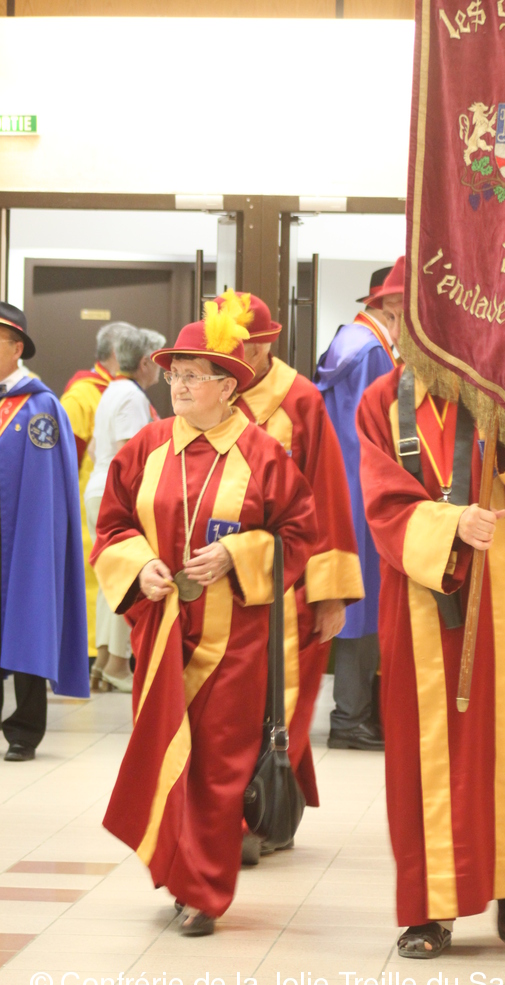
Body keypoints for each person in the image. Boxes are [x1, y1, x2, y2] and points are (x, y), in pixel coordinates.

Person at [356, 284, 505, 958]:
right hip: (422, 601)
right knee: (427, 754)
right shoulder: (382, 401)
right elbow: (381, 499)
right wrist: (450, 524)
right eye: (409, 318)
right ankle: (432, 910)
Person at [91, 291, 317, 936]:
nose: (180, 385)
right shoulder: (146, 447)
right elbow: (111, 527)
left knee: (218, 766)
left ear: (228, 385)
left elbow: (300, 535)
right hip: (160, 632)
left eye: (194, 375)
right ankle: (177, 869)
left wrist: (239, 553)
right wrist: (140, 565)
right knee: (166, 753)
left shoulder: (263, 454)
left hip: (233, 640)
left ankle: (205, 892)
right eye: (174, 374)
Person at [232, 291, 364, 823]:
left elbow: (328, 495)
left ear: (268, 345)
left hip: (289, 585)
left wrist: (330, 595)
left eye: (246, 347)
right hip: (221, 581)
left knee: (286, 702)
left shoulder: (301, 400)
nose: (237, 359)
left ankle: (264, 811)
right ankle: (239, 810)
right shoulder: (213, 395)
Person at [0, 301, 89, 761]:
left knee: (28, 624)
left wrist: (38, 545)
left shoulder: (40, 407)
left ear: (16, 348)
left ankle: (24, 731)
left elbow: (47, 488)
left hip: (22, 539)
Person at [315, 264, 397, 750]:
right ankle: (351, 717)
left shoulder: (348, 342)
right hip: (363, 488)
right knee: (363, 600)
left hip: (341, 485)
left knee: (353, 596)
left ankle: (353, 713)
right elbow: (377, 431)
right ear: (389, 308)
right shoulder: (371, 353)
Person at [84, 325, 161, 693]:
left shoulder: (112, 390)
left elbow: (94, 447)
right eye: (157, 362)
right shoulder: (131, 396)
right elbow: (131, 453)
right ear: (144, 363)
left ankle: (103, 661)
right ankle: (118, 662)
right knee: (127, 576)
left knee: (109, 580)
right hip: (118, 493)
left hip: (98, 487)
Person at [60, 323, 121, 667]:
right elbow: (62, 459)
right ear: (116, 354)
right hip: (86, 507)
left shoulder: (119, 391)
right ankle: (86, 654)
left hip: (113, 506)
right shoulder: (81, 396)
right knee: (88, 580)